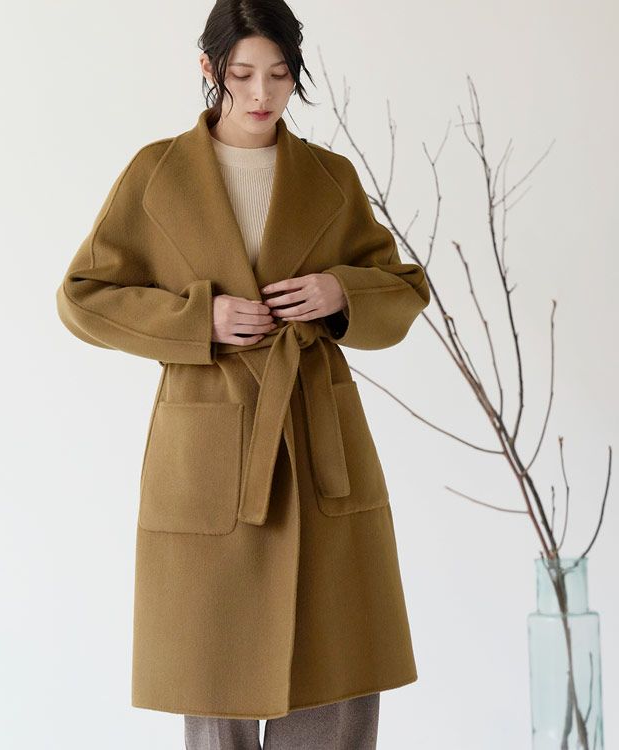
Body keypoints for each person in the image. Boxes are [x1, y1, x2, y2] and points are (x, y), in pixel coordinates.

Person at [55, 1, 431, 747]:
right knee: (213, 675)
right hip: (209, 451)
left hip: (318, 438)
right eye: (242, 75)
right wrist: (199, 320)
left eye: (280, 75)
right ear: (209, 68)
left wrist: (339, 294)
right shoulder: (157, 174)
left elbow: (404, 286)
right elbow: (83, 296)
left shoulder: (329, 177)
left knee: (333, 672)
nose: (262, 95)